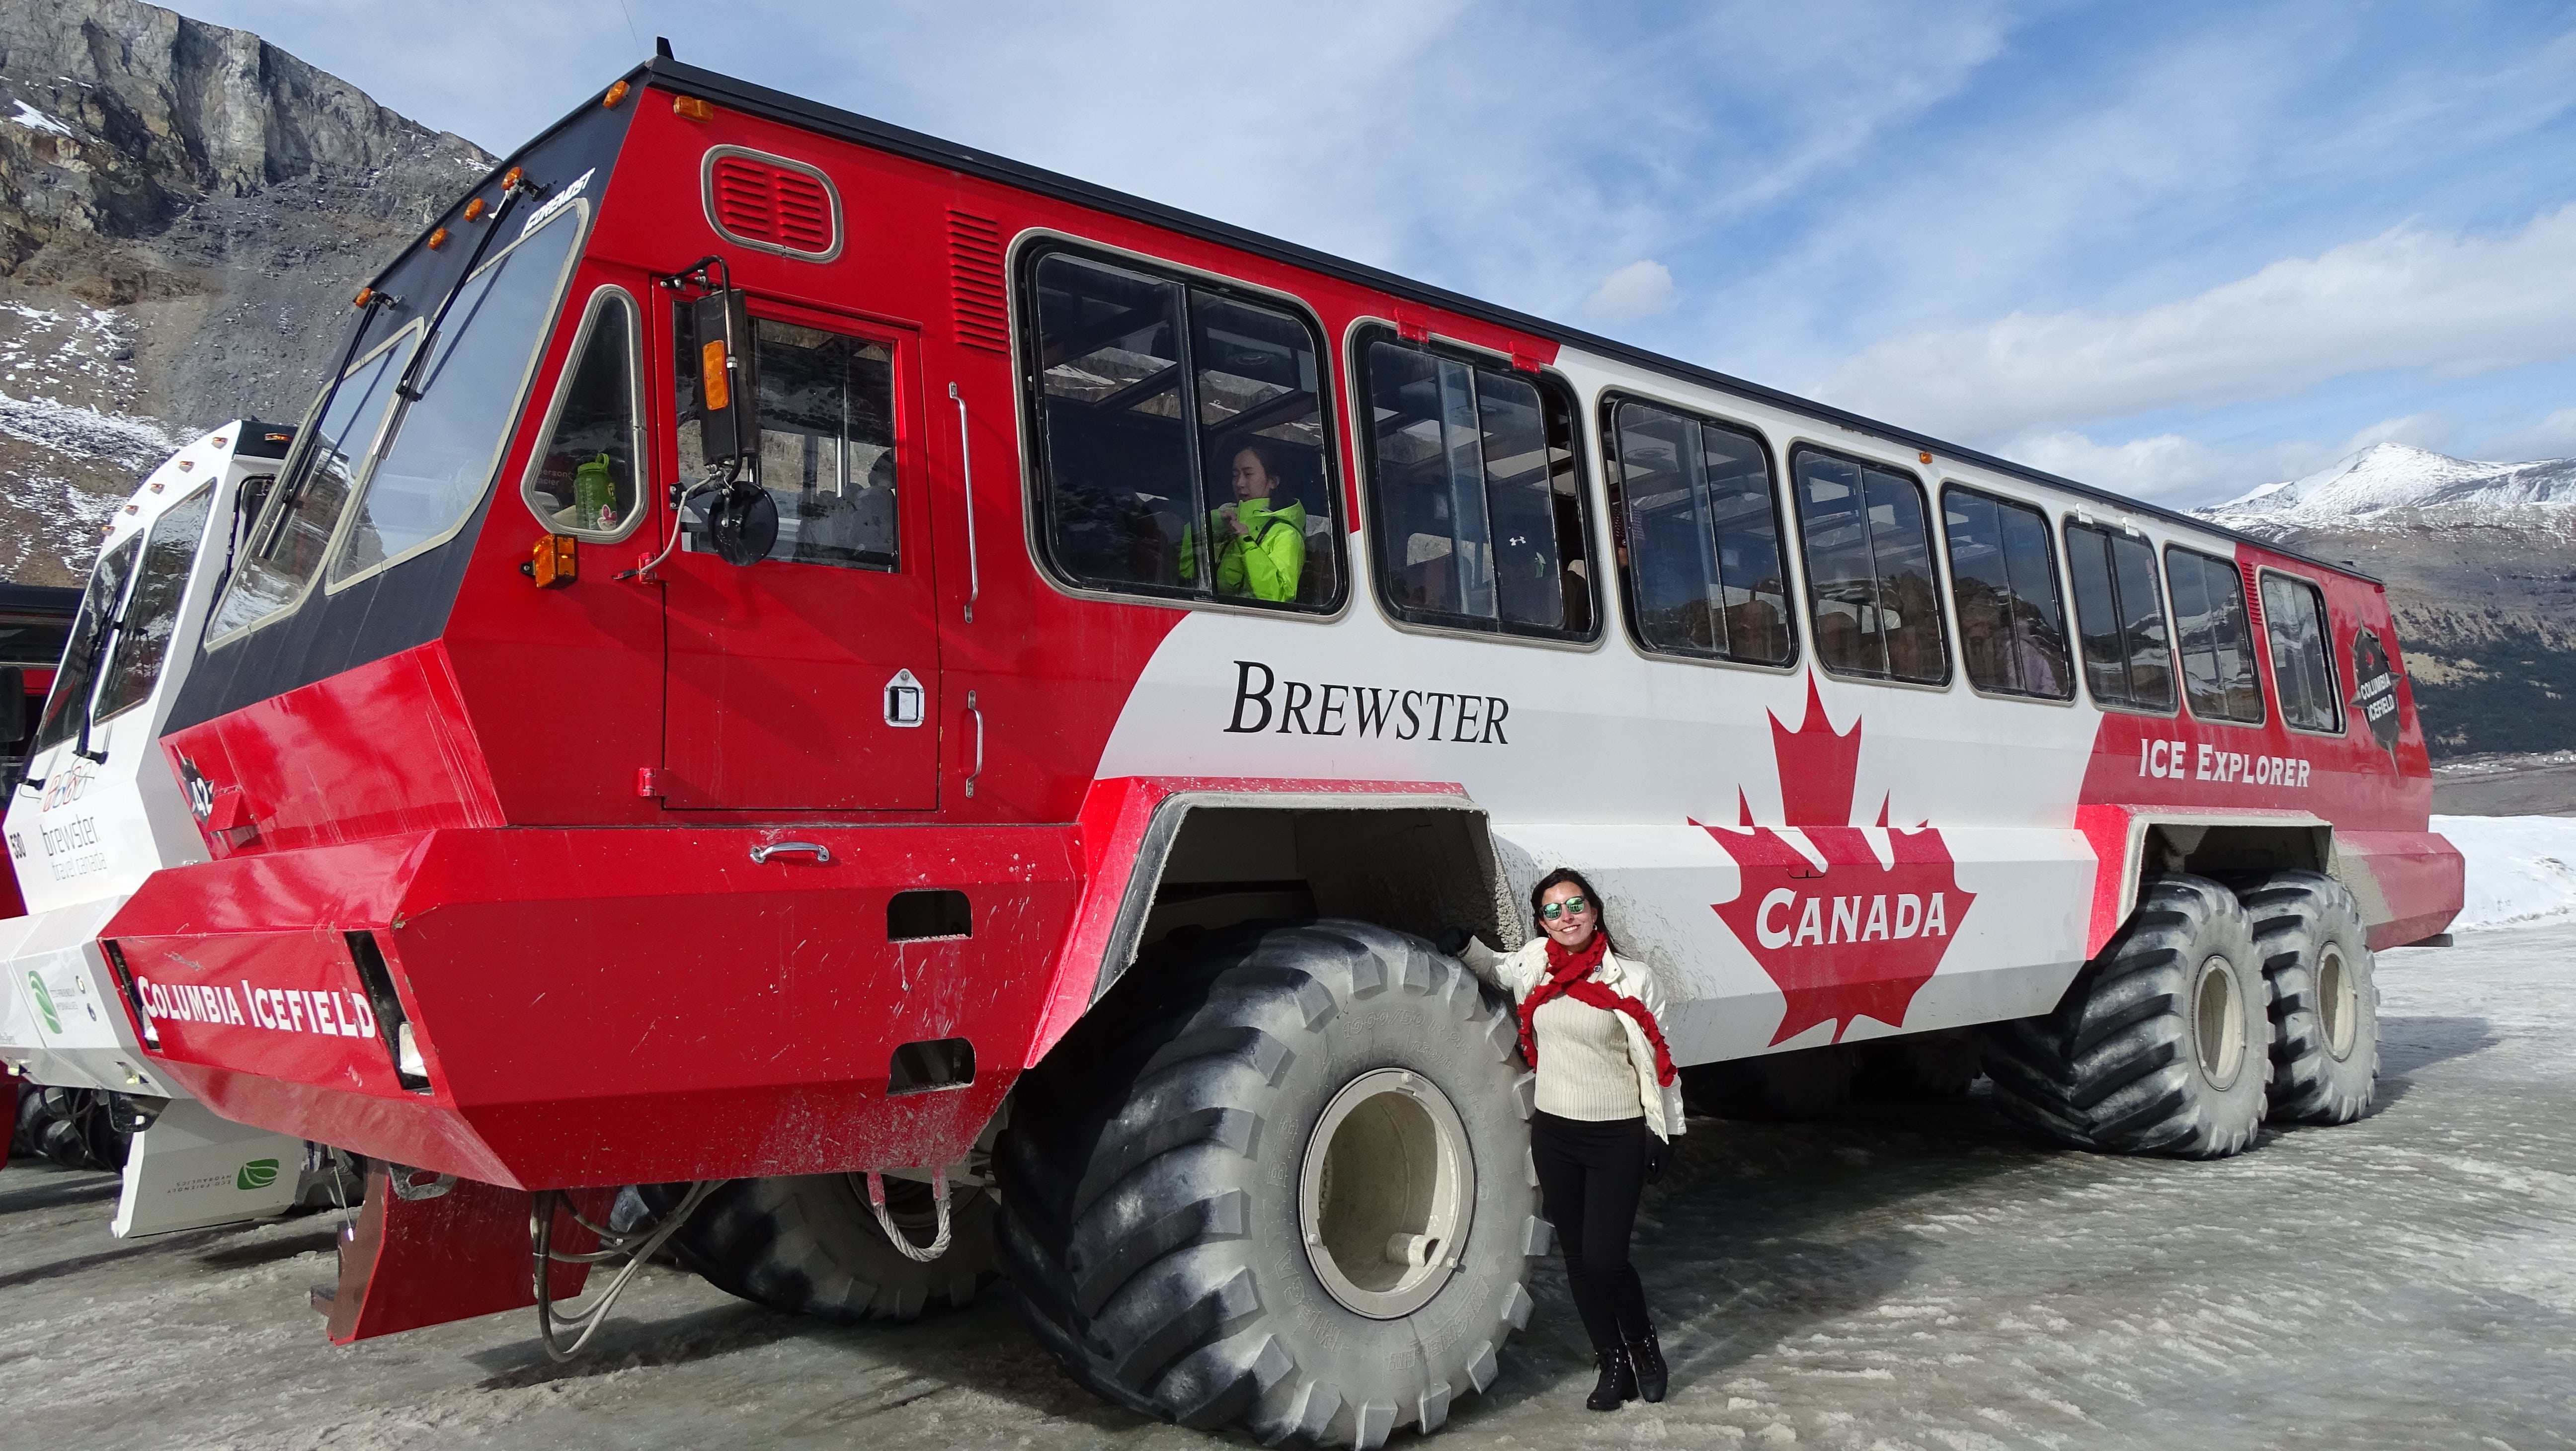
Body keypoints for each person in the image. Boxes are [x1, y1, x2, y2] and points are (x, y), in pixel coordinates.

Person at [1470, 869, 1684, 1411]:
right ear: (1541, 921)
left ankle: (1643, 1346)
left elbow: (1660, 1063)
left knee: (1606, 1259)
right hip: (1556, 1133)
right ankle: (1611, 1361)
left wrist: (1665, 1133)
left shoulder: (1633, 979)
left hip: (1617, 1137)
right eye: (1553, 910)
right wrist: (1463, 946)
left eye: (1576, 904)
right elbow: (1496, 969)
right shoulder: (1536, 963)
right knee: (1576, 1259)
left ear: (1594, 909)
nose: (1567, 917)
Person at [1179, 438, 1305, 601]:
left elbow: (1279, 597)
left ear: (1273, 482)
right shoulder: (1223, 524)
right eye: (1235, 475)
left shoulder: (1286, 534)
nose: (1239, 483)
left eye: (1248, 474)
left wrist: (1246, 543)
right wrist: (1213, 523)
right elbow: (1186, 575)